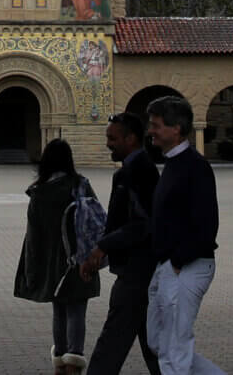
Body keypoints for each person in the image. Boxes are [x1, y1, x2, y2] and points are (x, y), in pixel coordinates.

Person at [143, 96, 224, 374]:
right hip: (170, 265)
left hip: (187, 266)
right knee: (157, 341)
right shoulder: (173, 164)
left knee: (173, 348)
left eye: (155, 125)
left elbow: (206, 223)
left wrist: (178, 262)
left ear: (175, 129)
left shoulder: (195, 166)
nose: (150, 131)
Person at [82, 112, 161, 375]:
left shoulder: (138, 171)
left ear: (131, 138)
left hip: (137, 272)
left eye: (113, 138)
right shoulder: (135, 169)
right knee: (155, 345)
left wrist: (103, 246)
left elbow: (141, 223)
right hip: (142, 269)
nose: (108, 144)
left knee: (113, 341)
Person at [14, 136, 101, 374]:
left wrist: (30, 271)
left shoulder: (39, 192)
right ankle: (74, 359)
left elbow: (33, 236)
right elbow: (96, 220)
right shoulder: (80, 184)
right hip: (81, 258)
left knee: (59, 310)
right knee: (76, 310)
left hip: (52, 262)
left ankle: (61, 360)